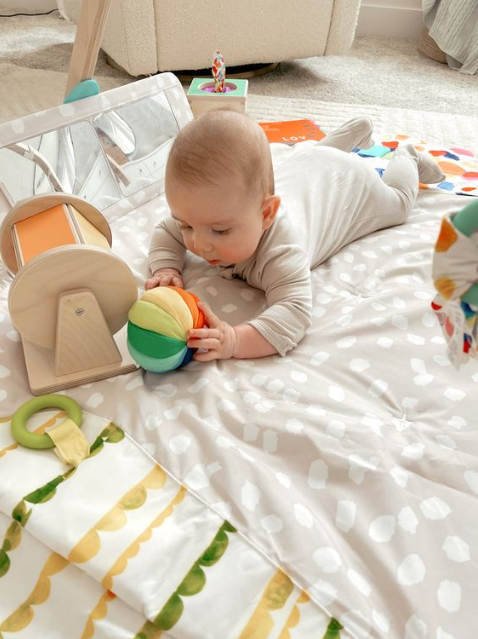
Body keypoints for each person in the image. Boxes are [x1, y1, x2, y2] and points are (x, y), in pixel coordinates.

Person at [146, 111, 445, 361]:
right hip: (310, 161)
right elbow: (164, 231)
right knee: (315, 154)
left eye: (221, 231)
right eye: (186, 226)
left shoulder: (283, 251)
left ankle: (408, 159)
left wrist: (234, 341)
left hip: (350, 182)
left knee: (399, 206)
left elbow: (294, 313)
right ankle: (356, 131)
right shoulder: (206, 215)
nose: (198, 244)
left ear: (266, 214)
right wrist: (166, 267)